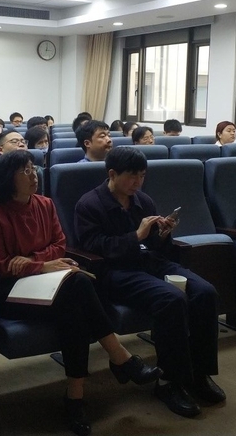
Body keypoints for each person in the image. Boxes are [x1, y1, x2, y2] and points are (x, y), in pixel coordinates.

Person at [0, 151, 161, 436]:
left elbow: (59, 244)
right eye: (25, 171)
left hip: (50, 282)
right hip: (11, 293)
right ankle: (118, 360)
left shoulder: (45, 204)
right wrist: (42, 265)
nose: (34, 175)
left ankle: (77, 395)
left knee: (74, 302)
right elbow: (2, 266)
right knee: (77, 288)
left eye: (33, 169)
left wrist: (32, 261)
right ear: (6, 179)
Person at [74, 146, 224, 418]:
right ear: (112, 174)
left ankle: (199, 374)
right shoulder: (89, 204)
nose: (138, 182)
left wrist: (162, 235)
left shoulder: (143, 200)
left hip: (150, 263)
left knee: (205, 293)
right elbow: (94, 248)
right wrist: (137, 236)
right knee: (172, 299)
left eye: (142, 176)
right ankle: (169, 382)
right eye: (132, 176)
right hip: (116, 272)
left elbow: (155, 246)